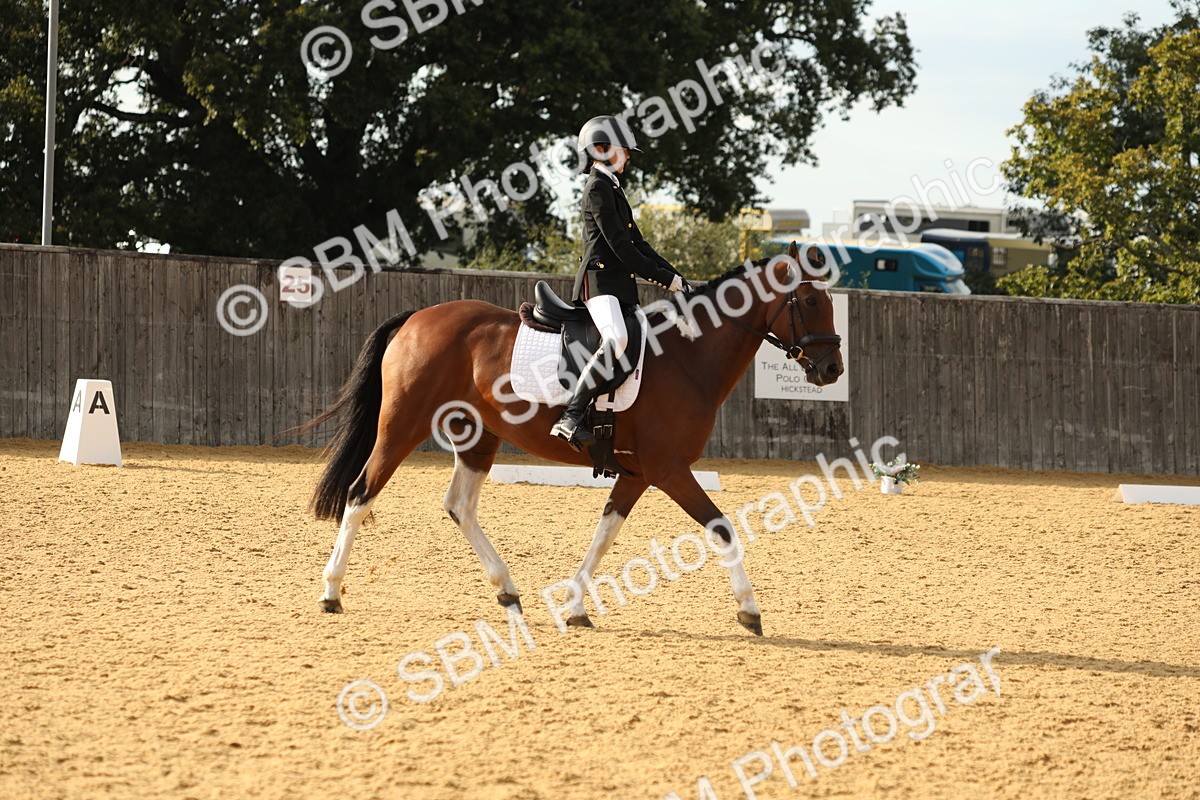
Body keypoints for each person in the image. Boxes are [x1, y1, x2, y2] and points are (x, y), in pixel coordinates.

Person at [550, 115, 690, 449]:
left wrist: (676, 277)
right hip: (598, 283)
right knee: (616, 339)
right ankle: (570, 417)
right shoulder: (598, 188)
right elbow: (621, 248)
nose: (628, 157)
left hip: (618, 287)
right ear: (601, 149)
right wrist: (663, 279)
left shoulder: (614, 188)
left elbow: (640, 245)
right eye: (624, 151)